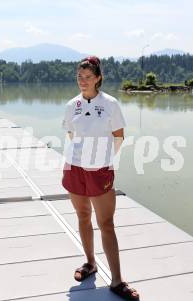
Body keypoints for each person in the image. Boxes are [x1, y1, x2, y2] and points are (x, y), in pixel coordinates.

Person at [61, 56, 139, 300]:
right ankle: (90, 263)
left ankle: (117, 280)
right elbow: (71, 135)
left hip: (100, 170)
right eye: (79, 77)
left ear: (98, 78)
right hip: (74, 167)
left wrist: (101, 161)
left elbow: (119, 137)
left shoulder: (111, 104)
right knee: (83, 215)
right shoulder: (71, 104)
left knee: (106, 223)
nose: (82, 81)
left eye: (87, 77)